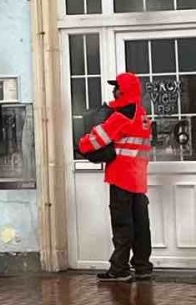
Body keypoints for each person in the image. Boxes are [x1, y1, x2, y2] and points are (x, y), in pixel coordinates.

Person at [78, 72, 153, 283]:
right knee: (140, 224)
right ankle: (142, 266)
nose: (114, 91)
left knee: (122, 224)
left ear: (124, 90)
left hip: (121, 177)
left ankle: (120, 269)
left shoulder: (121, 116)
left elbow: (96, 139)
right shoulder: (142, 114)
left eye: (116, 87)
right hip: (138, 178)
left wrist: (80, 144)